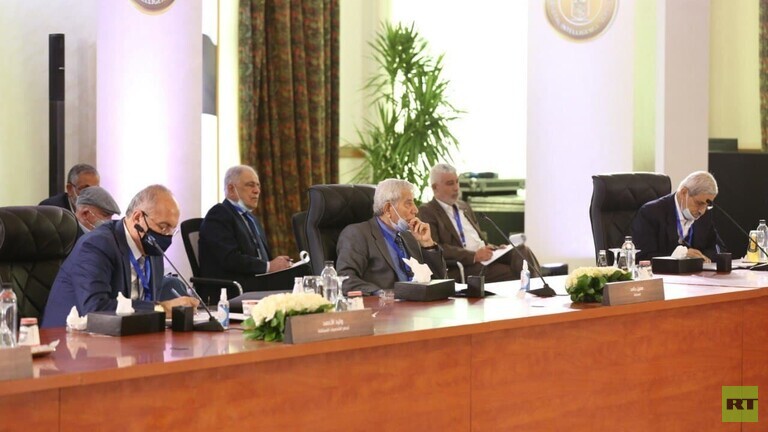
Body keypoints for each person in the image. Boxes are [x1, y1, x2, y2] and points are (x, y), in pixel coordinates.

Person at [42, 185, 199, 328]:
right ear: (137, 218)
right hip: (70, 339)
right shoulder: (98, 244)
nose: (167, 236)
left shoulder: (153, 250)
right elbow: (95, 308)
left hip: (124, 336)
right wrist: (160, 308)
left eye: (172, 230)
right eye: (163, 227)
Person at [198, 165, 309, 299]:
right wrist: (268, 266)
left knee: (303, 270)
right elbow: (230, 259)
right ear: (231, 189)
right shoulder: (219, 214)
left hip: (255, 281)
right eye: (250, 185)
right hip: (233, 287)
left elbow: (262, 258)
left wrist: (279, 265)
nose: (257, 191)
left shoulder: (252, 219)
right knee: (302, 275)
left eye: (258, 186)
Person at [418, 163, 541, 283]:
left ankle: (537, 287)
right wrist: (474, 256)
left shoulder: (464, 206)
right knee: (513, 272)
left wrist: (495, 248)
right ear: (435, 187)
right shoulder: (428, 211)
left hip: (485, 255)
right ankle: (535, 290)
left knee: (521, 250)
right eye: (450, 183)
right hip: (465, 264)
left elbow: (476, 239)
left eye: (457, 182)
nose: (456, 187)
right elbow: (436, 247)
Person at [336, 178, 447, 295]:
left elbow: (440, 279)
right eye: (408, 203)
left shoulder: (410, 236)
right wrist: (382, 294)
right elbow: (345, 280)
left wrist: (427, 244)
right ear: (388, 208)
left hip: (418, 302)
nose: (415, 210)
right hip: (384, 304)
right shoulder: (357, 234)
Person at [632, 171, 720, 263]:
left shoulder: (704, 215)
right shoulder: (651, 212)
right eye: (699, 203)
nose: (702, 211)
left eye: (707, 205)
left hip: (697, 272)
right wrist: (680, 255)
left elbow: (714, 249)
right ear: (683, 193)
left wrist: (703, 257)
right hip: (664, 272)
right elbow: (643, 256)